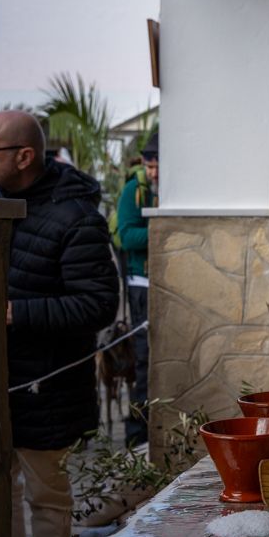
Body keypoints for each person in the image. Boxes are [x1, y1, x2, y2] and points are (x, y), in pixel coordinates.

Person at [0, 110, 119, 537]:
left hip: (48, 386)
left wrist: (18, 313)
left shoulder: (76, 216)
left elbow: (100, 304)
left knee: (46, 497)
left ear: (23, 157)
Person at [116, 129, 158, 445]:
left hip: (164, 283)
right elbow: (128, 237)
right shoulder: (134, 191)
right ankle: (137, 433)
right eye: (149, 165)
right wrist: (164, 230)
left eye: (158, 165)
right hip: (141, 286)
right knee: (143, 362)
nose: (153, 172)